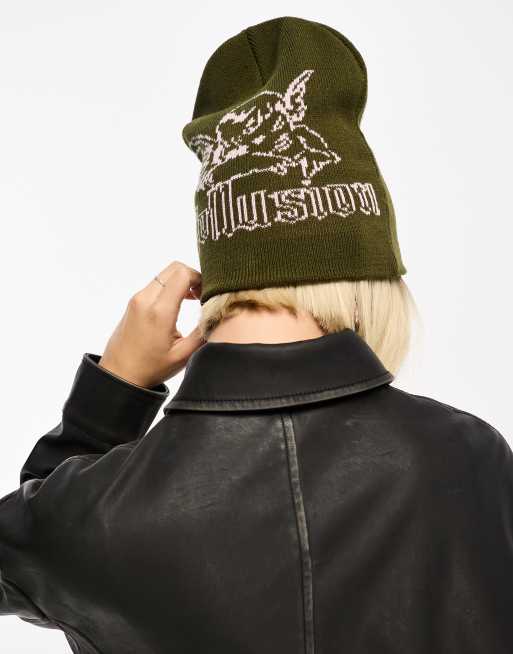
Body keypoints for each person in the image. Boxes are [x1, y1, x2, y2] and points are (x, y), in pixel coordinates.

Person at [1, 16, 512, 654]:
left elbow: (18, 554)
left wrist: (112, 392)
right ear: (371, 275)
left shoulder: (96, 512)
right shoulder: (469, 462)